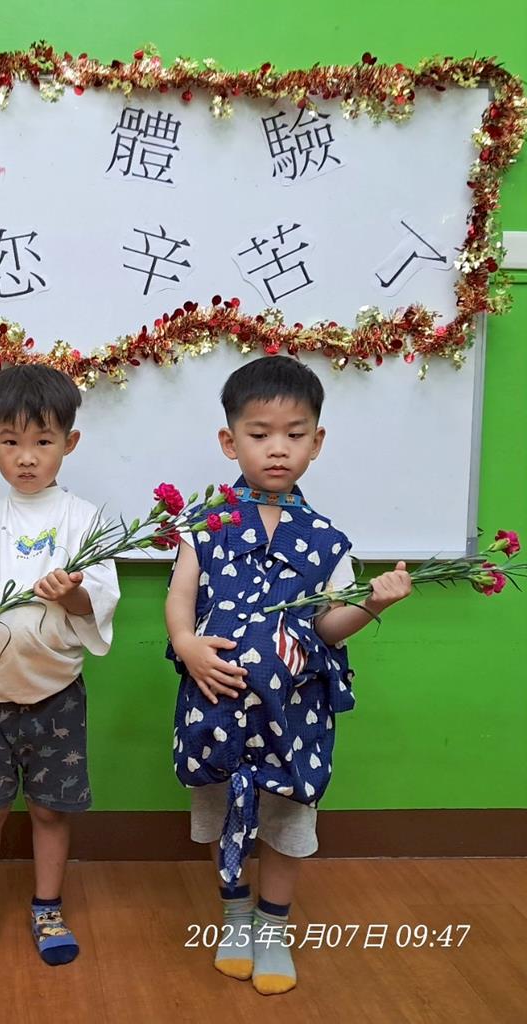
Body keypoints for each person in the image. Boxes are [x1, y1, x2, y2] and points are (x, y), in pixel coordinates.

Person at [165, 355, 411, 995]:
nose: (278, 448)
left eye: (294, 434)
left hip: (293, 715)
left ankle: (273, 928)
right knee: (217, 809)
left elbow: (328, 627)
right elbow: (180, 596)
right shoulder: (205, 525)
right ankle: (234, 916)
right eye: (260, 433)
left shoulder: (327, 539)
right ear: (230, 441)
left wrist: (373, 603)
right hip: (216, 705)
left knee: (287, 819)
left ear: (316, 442)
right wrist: (186, 645)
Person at [0, 364, 120, 971]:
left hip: (56, 693)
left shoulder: (85, 520)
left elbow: (100, 602)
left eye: (43, 441)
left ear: (70, 442)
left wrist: (74, 594)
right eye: (11, 440)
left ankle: (48, 907)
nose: (26, 457)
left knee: (50, 809)